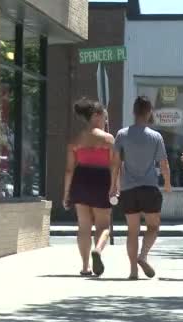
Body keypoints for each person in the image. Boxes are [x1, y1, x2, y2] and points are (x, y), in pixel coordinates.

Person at [110, 96, 171, 280]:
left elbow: (115, 163)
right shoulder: (155, 136)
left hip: (128, 189)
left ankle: (133, 271)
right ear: (149, 112)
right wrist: (167, 183)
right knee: (153, 226)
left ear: (133, 111)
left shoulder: (122, 134)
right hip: (149, 188)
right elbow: (164, 164)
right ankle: (143, 256)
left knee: (132, 231)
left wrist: (113, 185)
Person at [63, 99, 113, 277]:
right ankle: (98, 250)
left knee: (84, 226)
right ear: (96, 116)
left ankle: (85, 267)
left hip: (80, 179)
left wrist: (66, 193)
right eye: (104, 117)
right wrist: (116, 186)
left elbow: (69, 169)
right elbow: (115, 166)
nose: (106, 121)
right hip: (101, 179)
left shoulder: (76, 139)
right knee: (104, 225)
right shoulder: (108, 139)